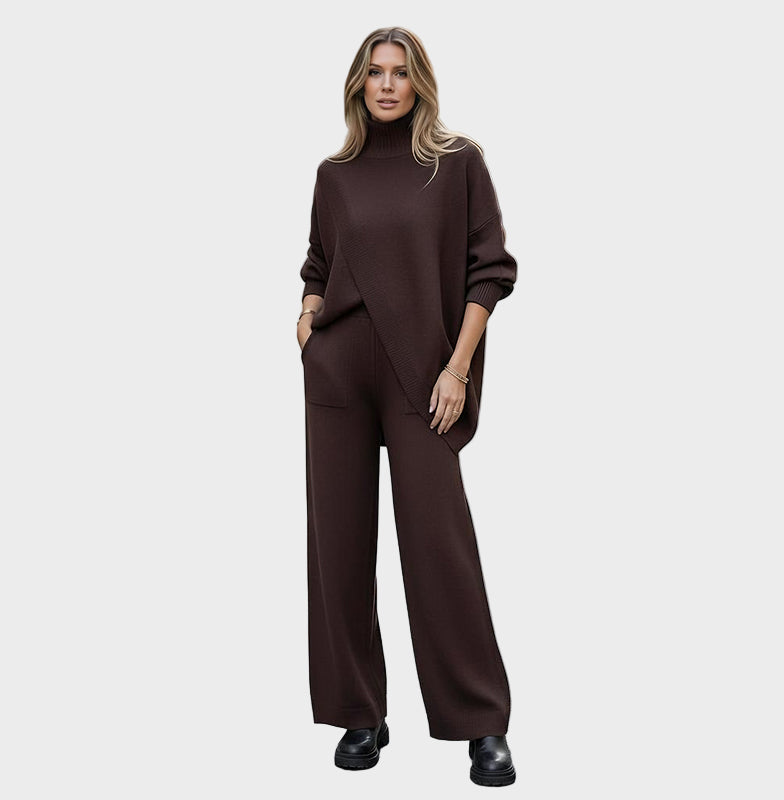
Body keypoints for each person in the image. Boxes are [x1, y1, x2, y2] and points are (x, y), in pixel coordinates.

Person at [297, 27, 518, 787]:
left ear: (419, 81)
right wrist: (308, 314)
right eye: (375, 73)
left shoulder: (456, 164)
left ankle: (481, 722)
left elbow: (491, 270)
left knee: (438, 545)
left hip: (424, 375)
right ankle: (360, 713)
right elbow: (318, 262)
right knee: (338, 545)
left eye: (400, 72)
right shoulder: (335, 174)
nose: (387, 85)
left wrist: (457, 368)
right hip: (339, 372)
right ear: (358, 84)